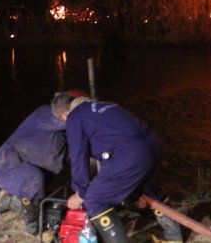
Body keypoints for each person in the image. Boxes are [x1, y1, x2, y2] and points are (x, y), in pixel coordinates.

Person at [50, 92, 182, 243]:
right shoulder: (104, 104)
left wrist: (80, 193)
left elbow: (78, 157)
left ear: (64, 114)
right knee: (150, 189)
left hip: (129, 155)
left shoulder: (74, 117)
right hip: (153, 146)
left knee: (94, 200)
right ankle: (174, 238)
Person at [0, 89, 88, 235]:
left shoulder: (66, 132)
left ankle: (11, 198)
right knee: (34, 180)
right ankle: (34, 228)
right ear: (66, 110)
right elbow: (66, 122)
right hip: (7, 165)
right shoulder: (44, 115)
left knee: (73, 162)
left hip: (32, 168)